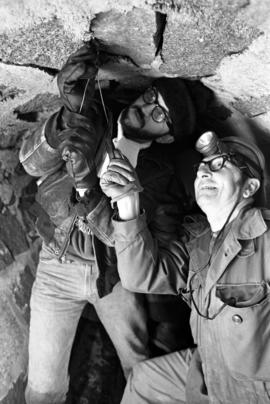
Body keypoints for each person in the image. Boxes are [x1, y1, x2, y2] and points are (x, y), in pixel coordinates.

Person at [19, 38, 197, 404]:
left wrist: (88, 192)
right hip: (57, 267)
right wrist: (64, 118)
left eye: (160, 115)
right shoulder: (92, 115)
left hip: (114, 278)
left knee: (141, 370)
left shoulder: (162, 179)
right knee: (43, 389)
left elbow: (141, 248)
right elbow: (28, 163)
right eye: (151, 97)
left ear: (166, 136)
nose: (147, 108)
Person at [100, 131, 270, 403]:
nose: (203, 172)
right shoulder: (198, 245)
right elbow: (139, 277)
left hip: (252, 392)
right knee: (145, 380)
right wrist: (127, 201)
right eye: (201, 168)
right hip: (205, 372)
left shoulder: (266, 238)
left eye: (219, 165)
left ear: (249, 188)